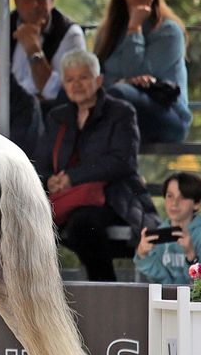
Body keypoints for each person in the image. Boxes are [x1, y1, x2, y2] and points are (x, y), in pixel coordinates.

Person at [33, 50, 154, 282]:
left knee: (83, 226)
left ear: (98, 80)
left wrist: (72, 177)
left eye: (83, 77)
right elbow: (40, 163)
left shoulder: (120, 112)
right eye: (70, 79)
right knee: (28, 223)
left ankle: (104, 291)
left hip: (114, 199)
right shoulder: (57, 117)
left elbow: (123, 161)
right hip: (66, 201)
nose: (76, 84)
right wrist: (49, 179)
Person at [92, 0, 191, 144]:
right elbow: (97, 78)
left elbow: (137, 73)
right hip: (119, 111)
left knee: (119, 95)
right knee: (69, 95)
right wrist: (122, 81)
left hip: (166, 114)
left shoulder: (169, 31)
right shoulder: (108, 33)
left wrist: (135, 27)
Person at [0, 0, 86, 106]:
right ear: (15, 1)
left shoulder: (70, 34)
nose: (34, 4)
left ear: (52, 0)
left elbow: (59, 93)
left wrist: (33, 49)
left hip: (49, 113)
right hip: (4, 107)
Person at [134, 172, 201, 285]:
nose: (174, 203)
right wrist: (143, 255)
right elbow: (162, 282)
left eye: (183, 197)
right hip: (166, 299)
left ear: (197, 203)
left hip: (195, 301)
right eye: (170, 196)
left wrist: (191, 255)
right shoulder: (160, 232)